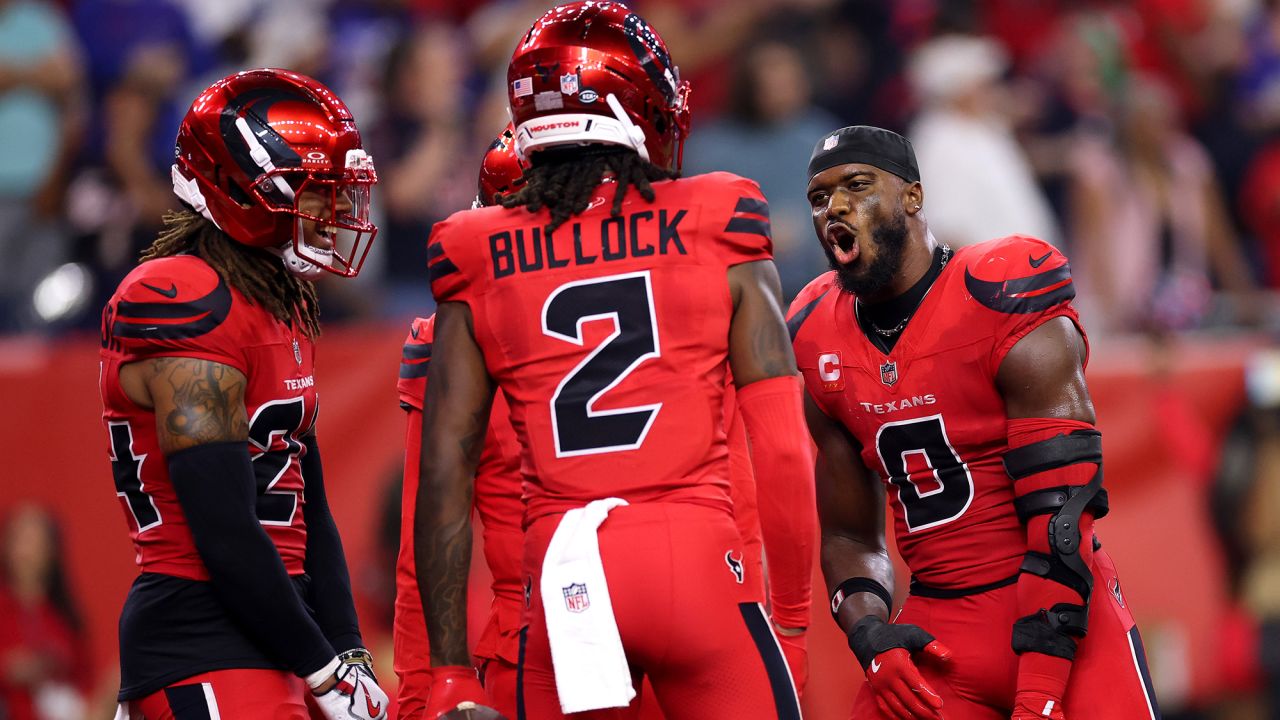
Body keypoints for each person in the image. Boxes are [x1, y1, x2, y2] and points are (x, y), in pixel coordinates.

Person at [413, 3, 816, 719]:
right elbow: (784, 450)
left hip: (566, 578)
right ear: (636, 103)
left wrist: (448, 669)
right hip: (698, 557)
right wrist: (790, 616)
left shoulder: (473, 248)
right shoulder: (720, 213)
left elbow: (445, 477)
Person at [789, 125, 1160, 720]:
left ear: (913, 196)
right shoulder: (815, 331)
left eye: (857, 186)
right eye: (818, 197)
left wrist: (1039, 688)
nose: (834, 207)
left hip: (1061, 617)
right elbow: (850, 537)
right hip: (939, 629)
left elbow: (1062, 512)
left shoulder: (998, 290)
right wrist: (870, 637)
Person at [99, 68, 388, 720]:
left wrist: (345, 648)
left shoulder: (273, 298)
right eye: (317, 191)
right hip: (202, 635)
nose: (335, 210)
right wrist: (321, 667)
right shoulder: (179, 295)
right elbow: (224, 530)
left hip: (273, 629)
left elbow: (308, 505)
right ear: (245, 188)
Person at [393, 127, 528, 720]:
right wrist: (428, 690)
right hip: (535, 642)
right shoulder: (454, 336)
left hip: (655, 616)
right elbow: (421, 538)